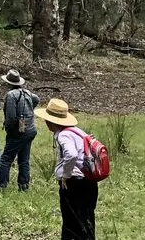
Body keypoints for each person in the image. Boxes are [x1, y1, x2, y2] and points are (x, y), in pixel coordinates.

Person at [35, 98, 98, 240]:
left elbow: (71, 154)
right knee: (86, 218)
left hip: (74, 183)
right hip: (88, 181)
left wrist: (65, 175)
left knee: (71, 220)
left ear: (51, 121)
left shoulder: (63, 135)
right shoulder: (78, 131)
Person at [0, 69, 39, 191]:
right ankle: (23, 186)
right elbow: (36, 99)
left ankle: (2, 186)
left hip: (18, 132)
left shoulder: (10, 95)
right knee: (24, 159)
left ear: (9, 83)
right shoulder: (27, 92)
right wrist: (29, 111)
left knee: (6, 159)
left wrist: (10, 131)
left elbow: (10, 118)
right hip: (30, 129)